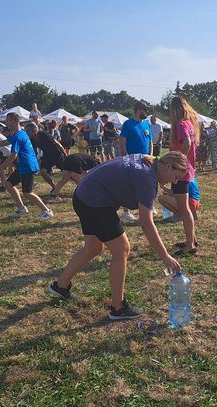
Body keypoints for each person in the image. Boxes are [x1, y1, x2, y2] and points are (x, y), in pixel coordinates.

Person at [47, 152, 186, 320]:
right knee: (122, 249)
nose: (175, 182)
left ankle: (60, 286)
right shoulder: (147, 178)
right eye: (176, 176)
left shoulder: (147, 161)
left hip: (83, 195)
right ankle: (118, 308)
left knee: (93, 247)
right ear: (168, 166)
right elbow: (146, 223)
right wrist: (165, 256)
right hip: (94, 202)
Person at [0, 113, 53, 220]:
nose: (6, 123)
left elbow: (13, 156)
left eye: (7, 120)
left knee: (27, 193)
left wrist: (1, 167)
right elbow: (4, 142)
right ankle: (21, 208)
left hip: (28, 166)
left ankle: (46, 211)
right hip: (23, 166)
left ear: (13, 121)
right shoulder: (19, 134)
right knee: (8, 184)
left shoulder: (19, 136)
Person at [169, 96, 198, 255]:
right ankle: (191, 239)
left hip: (181, 172)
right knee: (186, 209)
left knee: (184, 210)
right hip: (188, 170)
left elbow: (186, 143)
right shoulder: (189, 123)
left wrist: (178, 163)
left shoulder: (180, 124)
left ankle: (190, 245)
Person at [119, 101, 154, 222]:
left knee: (146, 185)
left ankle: (148, 207)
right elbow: (122, 143)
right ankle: (126, 212)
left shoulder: (147, 124)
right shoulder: (128, 124)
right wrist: (127, 159)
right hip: (132, 159)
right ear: (138, 110)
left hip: (146, 159)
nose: (146, 112)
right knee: (129, 186)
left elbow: (150, 142)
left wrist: (151, 156)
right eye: (144, 109)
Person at [24, 122, 67, 198]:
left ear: (33, 130)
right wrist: (33, 160)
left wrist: (65, 154)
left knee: (68, 171)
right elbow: (34, 151)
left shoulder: (43, 134)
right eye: (26, 131)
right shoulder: (32, 139)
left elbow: (57, 143)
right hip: (47, 156)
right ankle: (54, 187)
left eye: (28, 131)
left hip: (56, 154)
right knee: (43, 172)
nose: (26, 132)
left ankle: (79, 182)